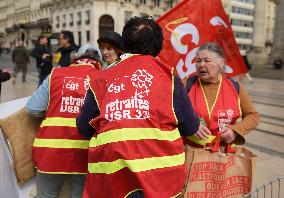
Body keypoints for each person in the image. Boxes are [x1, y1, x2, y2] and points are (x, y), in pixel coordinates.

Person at [77, 16, 200, 198]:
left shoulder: (101, 77)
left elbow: (84, 127)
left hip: (112, 177)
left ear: (125, 43)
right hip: (160, 179)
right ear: (158, 46)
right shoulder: (168, 76)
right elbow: (190, 126)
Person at [25, 45, 102, 198]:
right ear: (99, 61)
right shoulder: (103, 78)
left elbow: (33, 108)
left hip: (50, 150)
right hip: (85, 153)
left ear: (75, 58)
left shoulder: (56, 74)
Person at [184, 42, 259, 149]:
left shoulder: (235, 87)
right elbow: (171, 110)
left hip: (222, 154)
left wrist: (235, 131)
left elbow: (253, 116)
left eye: (207, 60)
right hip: (190, 151)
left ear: (221, 63)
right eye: (198, 61)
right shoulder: (186, 84)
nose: (201, 65)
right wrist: (190, 124)